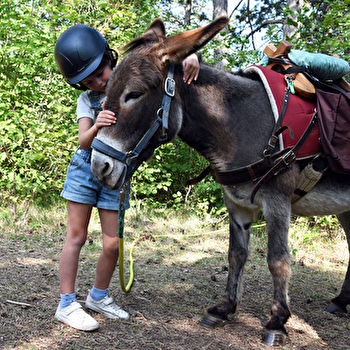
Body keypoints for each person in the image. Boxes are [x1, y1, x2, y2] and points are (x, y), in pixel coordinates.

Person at [54, 24, 200, 331]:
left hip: (115, 174)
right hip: (84, 168)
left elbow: (160, 59)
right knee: (76, 237)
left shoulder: (127, 80)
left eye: (100, 72)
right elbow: (83, 141)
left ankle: (98, 296)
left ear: (110, 59)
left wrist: (192, 57)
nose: (97, 82)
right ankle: (66, 303)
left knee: (112, 245)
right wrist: (96, 125)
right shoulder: (87, 102)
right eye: (88, 80)